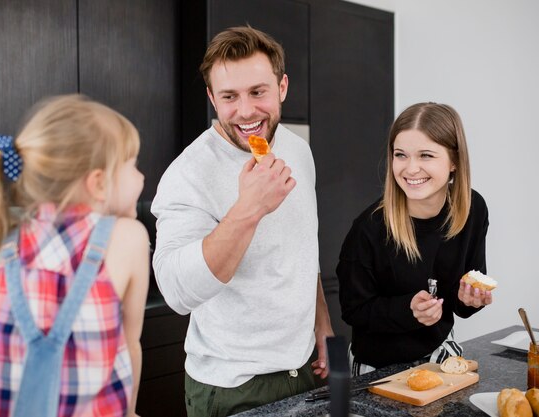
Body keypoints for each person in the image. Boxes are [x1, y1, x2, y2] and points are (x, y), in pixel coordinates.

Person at [151, 26, 334, 417]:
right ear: (212, 98)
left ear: (282, 87)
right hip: (232, 387)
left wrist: (322, 323)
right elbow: (177, 293)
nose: (247, 111)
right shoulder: (188, 173)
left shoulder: (298, 150)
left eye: (258, 92)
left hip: (304, 368)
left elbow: (304, 246)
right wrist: (248, 208)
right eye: (230, 97)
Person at [0, 95, 150, 417]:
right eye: (133, 165)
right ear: (98, 182)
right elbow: (129, 344)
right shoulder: (127, 237)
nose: (141, 177)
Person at [336, 102, 492, 376]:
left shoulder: (473, 209)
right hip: (377, 370)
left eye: (426, 156)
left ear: (454, 161)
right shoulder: (369, 229)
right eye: (401, 155)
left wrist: (470, 300)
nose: (410, 169)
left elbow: (460, 303)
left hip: (441, 358)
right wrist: (407, 310)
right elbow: (354, 310)